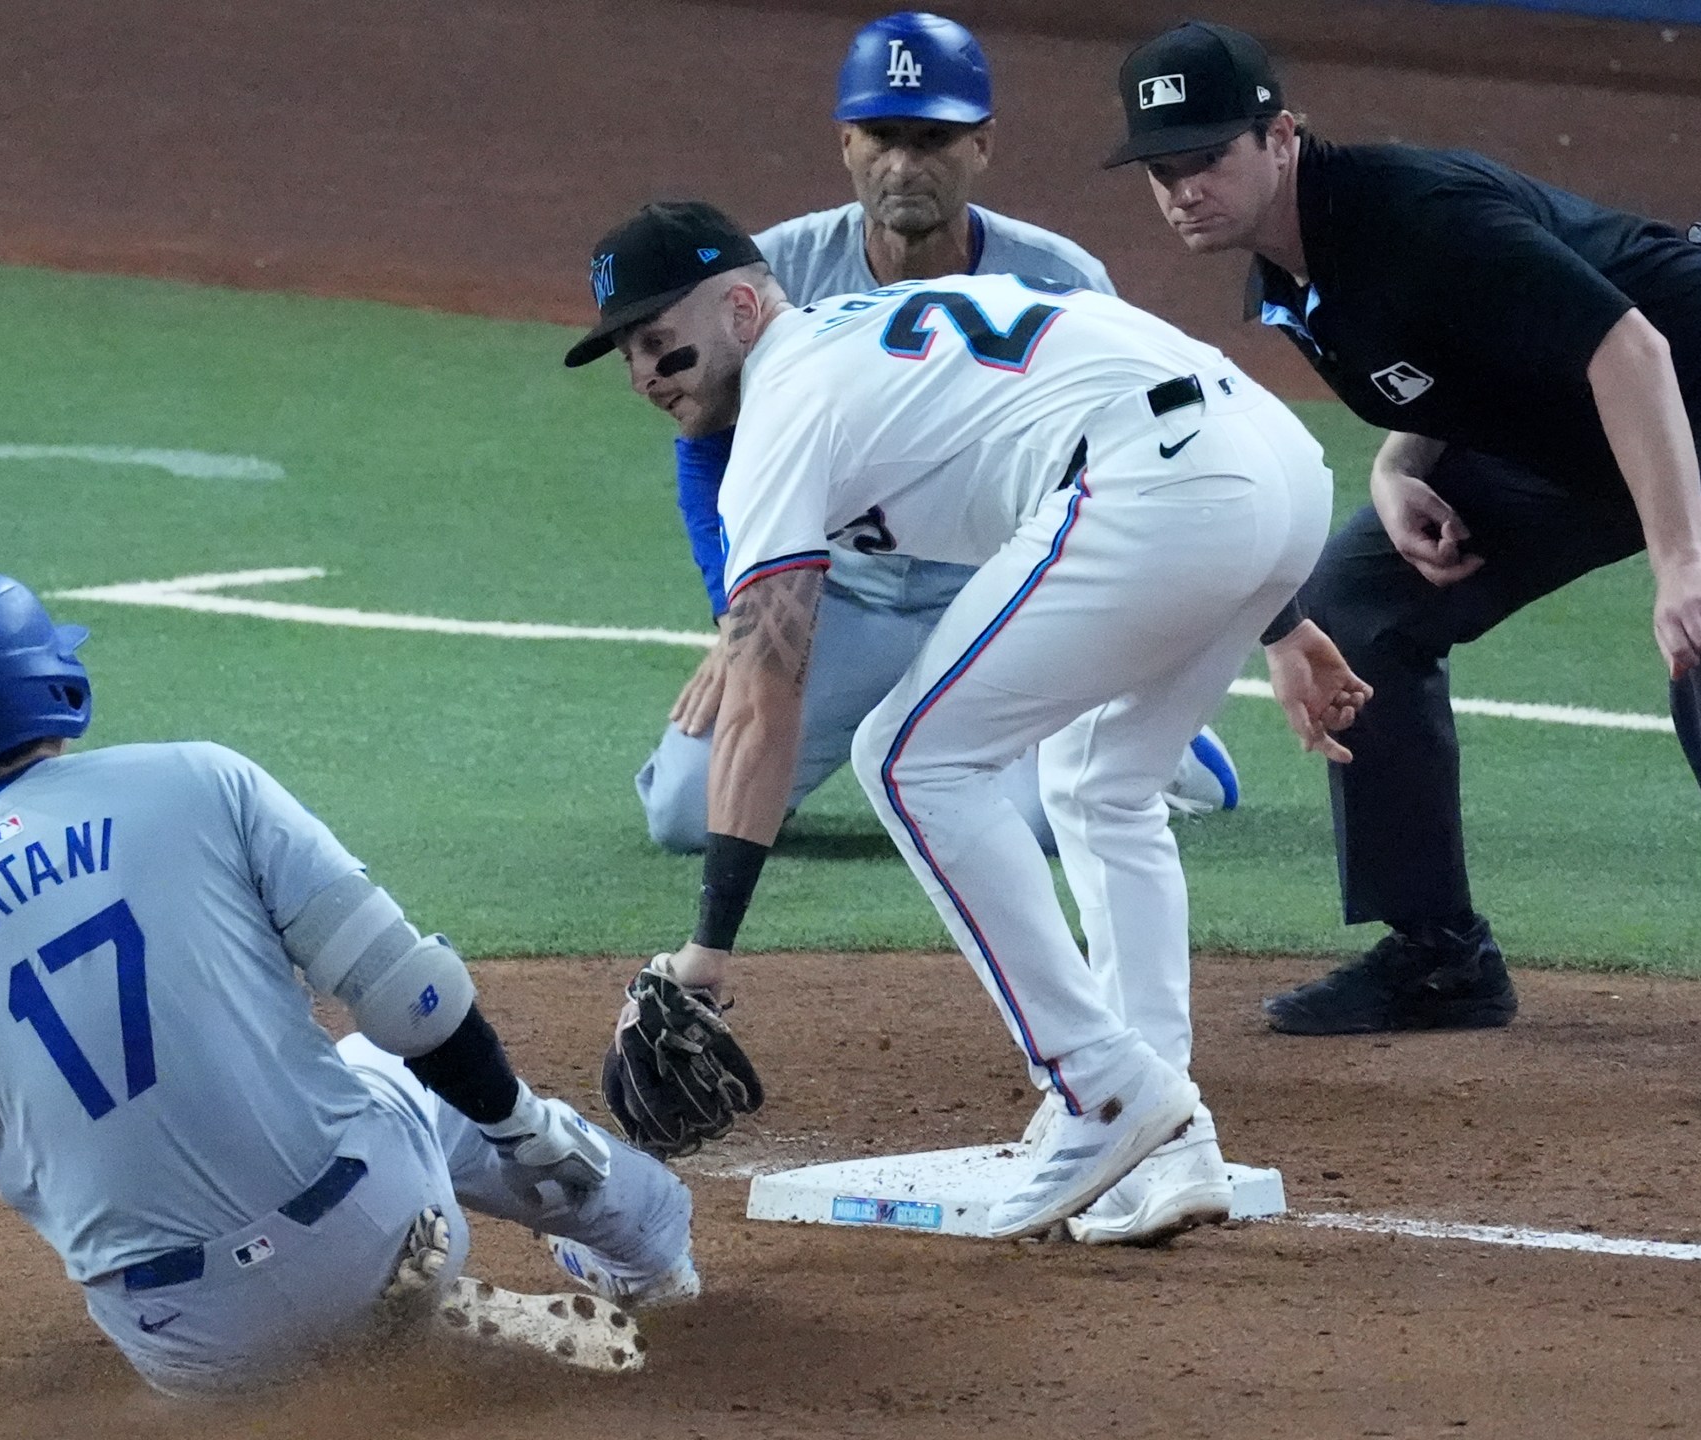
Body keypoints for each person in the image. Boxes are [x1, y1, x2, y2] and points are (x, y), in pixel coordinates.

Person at [0, 574, 696, 1394]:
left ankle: (386, 1354)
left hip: (195, 1349)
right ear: (56, 684)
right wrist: (513, 1119)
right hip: (387, 1227)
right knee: (406, 1057)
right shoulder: (201, 783)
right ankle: (651, 1263)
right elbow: (414, 1002)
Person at [1105, 22, 1701, 1107]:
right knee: (1353, 606)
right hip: (1582, 440)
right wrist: (1393, 474)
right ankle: (1439, 955)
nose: (1183, 188)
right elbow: (1451, 362)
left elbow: (1630, 349)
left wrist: (1681, 559)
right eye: (1161, 168)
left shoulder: (1413, 215)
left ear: (1281, 136)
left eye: (1206, 157)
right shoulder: (1291, 272)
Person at [566, 203, 1368, 1241]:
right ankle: (1171, 1139)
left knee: (906, 761)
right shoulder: (859, 337)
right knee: (1100, 781)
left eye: (652, 336)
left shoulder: (782, 399)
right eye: (625, 352)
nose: (644, 371)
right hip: (1271, 467)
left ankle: (1100, 1089)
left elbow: (766, 695)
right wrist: (1281, 610)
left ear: (740, 303)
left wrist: (705, 953)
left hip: (1156, 479)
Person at [634, 9, 1240, 857]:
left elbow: (1132, 458)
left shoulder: (1062, 280)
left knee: (1040, 826)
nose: (904, 164)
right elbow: (707, 446)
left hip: (999, 600)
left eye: (933, 140)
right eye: (882, 136)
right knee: (687, 813)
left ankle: (1155, 747)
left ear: (982, 145)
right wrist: (742, 620)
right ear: (845, 140)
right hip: (838, 600)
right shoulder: (772, 276)